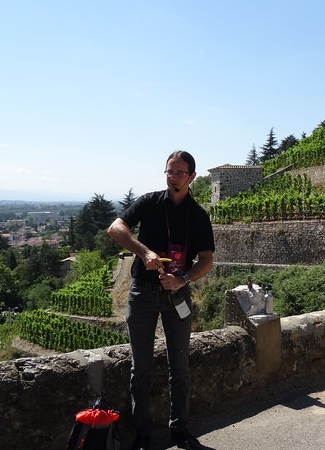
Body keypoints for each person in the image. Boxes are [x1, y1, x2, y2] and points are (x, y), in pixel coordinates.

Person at [107, 150, 215, 450]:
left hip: (177, 294)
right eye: (169, 171)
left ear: (192, 176)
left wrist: (183, 279)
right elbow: (115, 228)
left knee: (179, 366)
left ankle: (179, 430)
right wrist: (144, 253)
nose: (173, 177)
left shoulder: (198, 216)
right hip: (142, 291)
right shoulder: (149, 202)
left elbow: (206, 260)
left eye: (180, 172)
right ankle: (143, 434)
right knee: (140, 367)